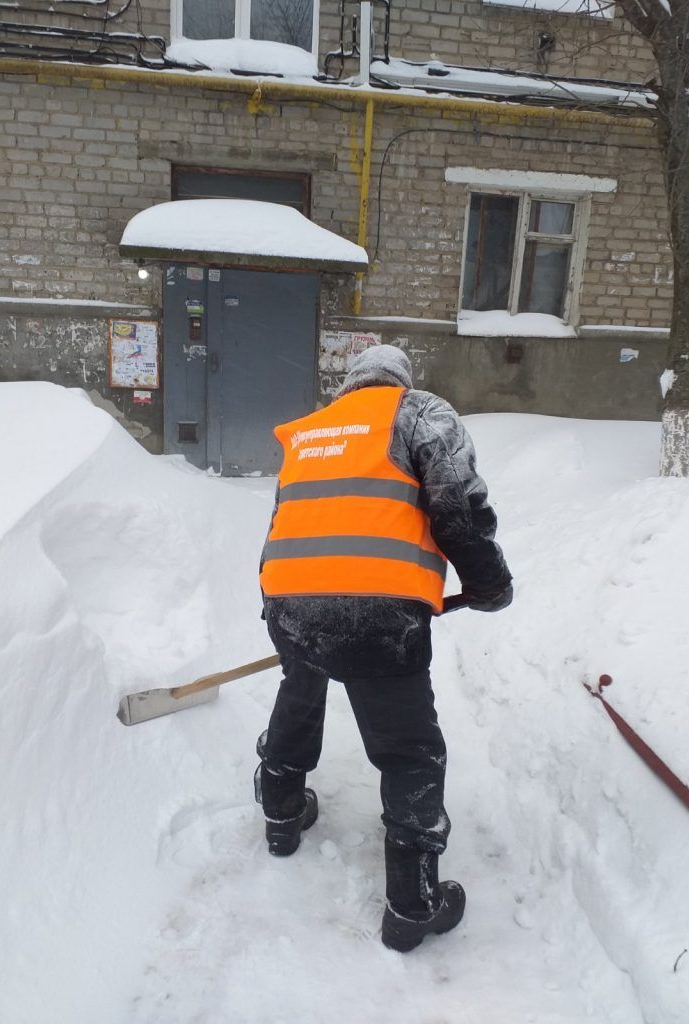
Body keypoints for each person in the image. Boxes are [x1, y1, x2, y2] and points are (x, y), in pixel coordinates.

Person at [255, 344, 512, 952]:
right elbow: (457, 506)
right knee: (409, 753)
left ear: (350, 385)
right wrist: (488, 583)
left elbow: (285, 520)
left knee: (300, 694)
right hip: (378, 615)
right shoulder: (419, 413)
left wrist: (288, 609)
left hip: (288, 598)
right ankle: (412, 907)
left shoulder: (311, 431)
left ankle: (282, 818)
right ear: (400, 380)